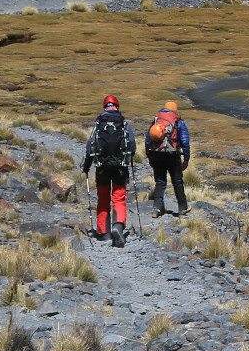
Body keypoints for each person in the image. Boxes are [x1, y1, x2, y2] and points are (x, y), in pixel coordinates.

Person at [82, 94, 135, 247]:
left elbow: (90, 147)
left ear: (104, 107)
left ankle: (103, 233)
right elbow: (131, 145)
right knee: (118, 198)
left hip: (102, 167)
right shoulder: (124, 124)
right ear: (117, 106)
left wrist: (87, 166)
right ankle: (117, 226)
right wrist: (128, 160)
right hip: (120, 167)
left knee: (103, 199)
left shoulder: (99, 124)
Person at [146, 99, 191, 216]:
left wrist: (150, 157)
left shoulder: (156, 121)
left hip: (157, 155)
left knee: (160, 182)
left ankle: (157, 209)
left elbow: (148, 141)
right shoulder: (178, 123)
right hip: (172, 156)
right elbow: (185, 142)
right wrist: (186, 159)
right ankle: (182, 207)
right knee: (177, 182)